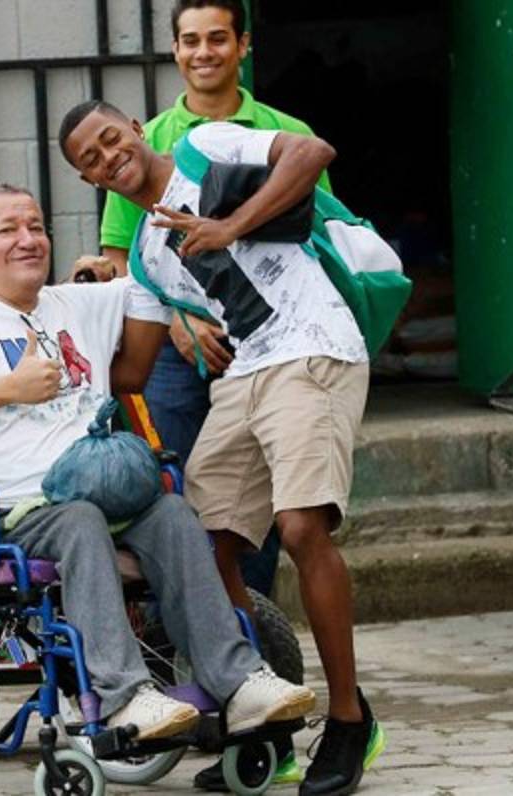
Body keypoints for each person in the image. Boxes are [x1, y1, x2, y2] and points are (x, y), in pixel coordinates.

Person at [0, 182, 316, 743]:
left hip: (105, 490)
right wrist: (9, 388)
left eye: (36, 227)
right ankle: (125, 695)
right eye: (8, 229)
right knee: (80, 521)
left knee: (172, 513)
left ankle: (239, 682)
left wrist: (113, 267)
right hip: (16, 507)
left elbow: (152, 284)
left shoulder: (76, 304)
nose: (28, 239)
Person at [60, 100, 385, 796]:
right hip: (244, 371)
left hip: (312, 346)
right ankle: (264, 710)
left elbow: (312, 153)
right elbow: (130, 371)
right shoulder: (146, 255)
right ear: (89, 179)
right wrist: (53, 329)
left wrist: (227, 227)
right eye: (91, 160)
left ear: (135, 131)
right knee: (204, 545)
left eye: (111, 139)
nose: (109, 158)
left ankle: (350, 719)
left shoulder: (205, 146)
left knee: (300, 527)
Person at [92, 0, 335, 614]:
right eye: (191, 41)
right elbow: (123, 258)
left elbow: (318, 238)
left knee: (265, 506)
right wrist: (178, 317)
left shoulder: (284, 129)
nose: (204, 53)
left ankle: (257, 625)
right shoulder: (139, 141)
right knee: (187, 495)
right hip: (174, 351)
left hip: (270, 344)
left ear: (243, 45)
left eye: (218, 39)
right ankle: (191, 632)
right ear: (175, 50)